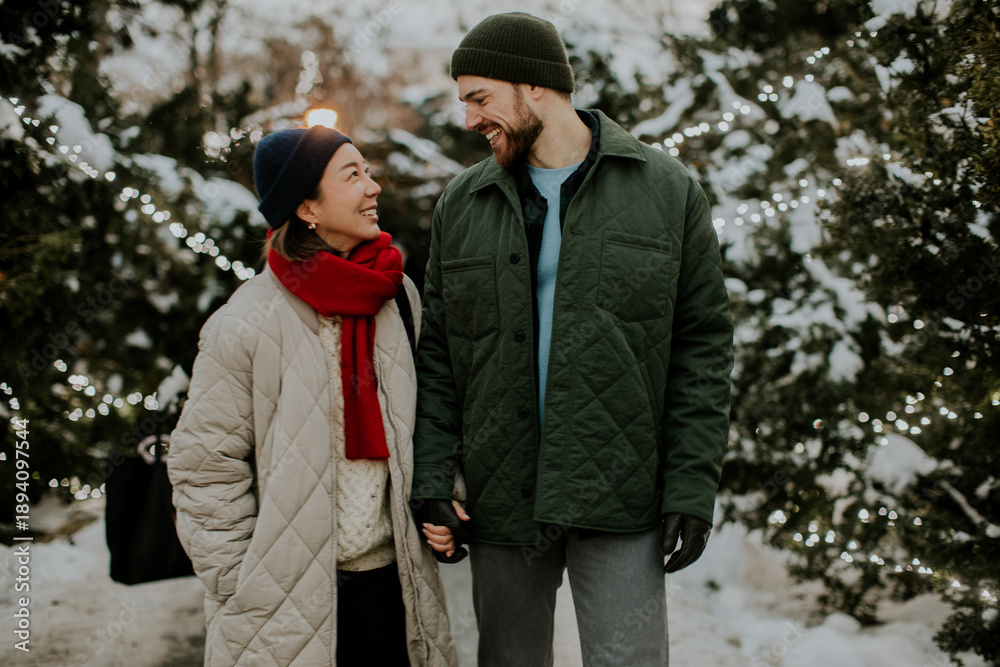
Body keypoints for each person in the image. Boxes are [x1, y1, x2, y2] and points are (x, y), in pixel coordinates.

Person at [410, 12, 734, 666]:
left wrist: (692, 485)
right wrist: (434, 474)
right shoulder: (462, 204)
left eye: (480, 97)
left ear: (534, 87)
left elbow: (702, 347)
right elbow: (439, 354)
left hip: (619, 491)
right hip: (502, 497)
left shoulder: (667, 191)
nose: (469, 117)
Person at [168, 125, 459, 666]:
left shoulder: (398, 298)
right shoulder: (245, 322)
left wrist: (443, 495)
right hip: (284, 601)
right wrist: (243, 583)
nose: (373, 187)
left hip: (396, 585)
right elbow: (204, 469)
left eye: (368, 172)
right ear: (307, 207)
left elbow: (429, 415)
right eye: (353, 175)